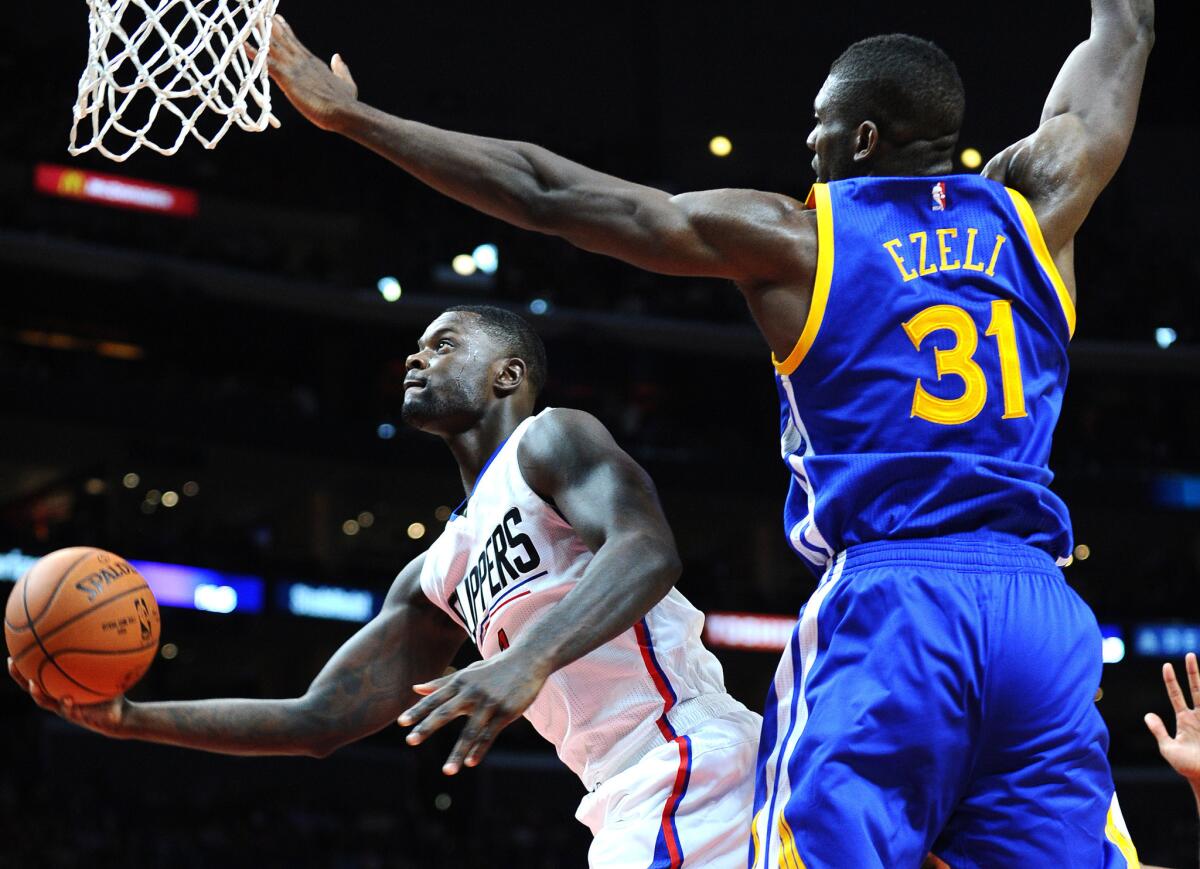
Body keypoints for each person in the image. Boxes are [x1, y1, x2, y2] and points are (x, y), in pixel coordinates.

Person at [260, 2, 1154, 864]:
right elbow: (1125, 31)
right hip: (1041, 610)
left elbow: (547, 192)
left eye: (819, 125)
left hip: (897, 602)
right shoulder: (1040, 206)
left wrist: (356, 119)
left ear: (865, 139)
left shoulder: (802, 239)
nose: (808, 143)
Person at [9, 305, 760, 868]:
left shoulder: (552, 438)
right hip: (623, 789)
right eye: (414, 347)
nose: (416, 356)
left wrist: (523, 658)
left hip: (685, 753)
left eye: (444, 343)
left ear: (509, 374)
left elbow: (646, 549)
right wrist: (131, 716)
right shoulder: (436, 572)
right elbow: (317, 719)